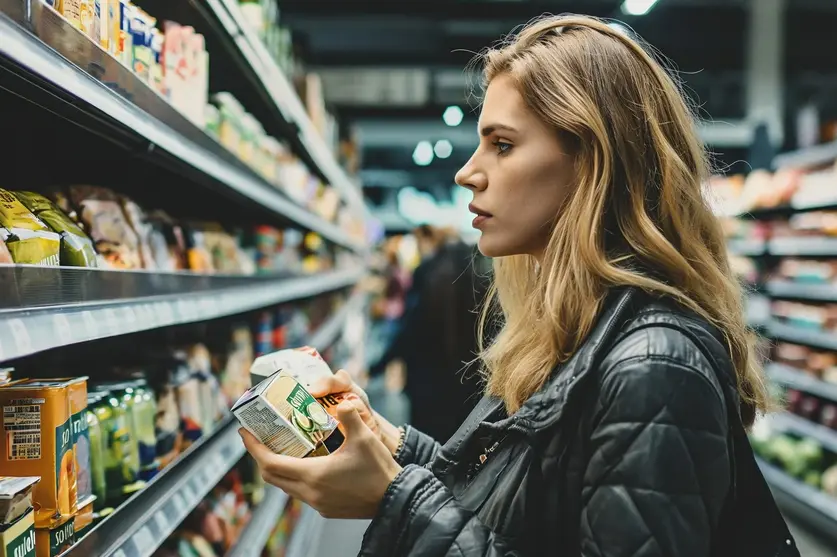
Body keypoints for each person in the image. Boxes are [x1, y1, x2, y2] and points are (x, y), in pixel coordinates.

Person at [241, 15, 799, 557]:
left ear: (591, 164)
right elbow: (519, 509)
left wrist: (396, 500)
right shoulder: (575, 330)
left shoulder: (655, 364)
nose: (467, 172)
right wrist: (390, 446)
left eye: (502, 145)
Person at [371, 231, 488, 441]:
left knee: (427, 445)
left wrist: (377, 365)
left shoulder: (428, 273)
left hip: (426, 383)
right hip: (467, 384)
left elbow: (408, 330)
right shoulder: (478, 276)